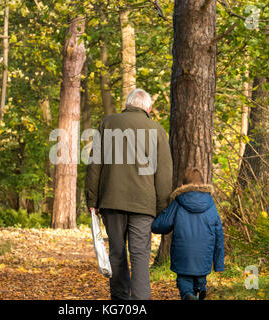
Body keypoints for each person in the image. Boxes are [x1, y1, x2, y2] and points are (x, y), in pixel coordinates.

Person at [85, 88, 173, 300]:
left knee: (117, 253)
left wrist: (92, 200)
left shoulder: (108, 124)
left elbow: (94, 164)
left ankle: (120, 300)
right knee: (140, 256)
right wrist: (161, 208)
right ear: (148, 108)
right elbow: (164, 175)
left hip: (111, 200)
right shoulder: (158, 131)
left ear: (127, 104)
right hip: (143, 204)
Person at [151, 167, 225, 300]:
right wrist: (219, 263)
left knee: (184, 281)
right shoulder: (210, 204)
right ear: (203, 184)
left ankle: (188, 295)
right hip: (204, 255)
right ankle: (200, 290)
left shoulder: (178, 202)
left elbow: (161, 225)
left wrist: (152, 222)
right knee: (200, 278)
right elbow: (219, 234)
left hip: (183, 254)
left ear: (183, 185)